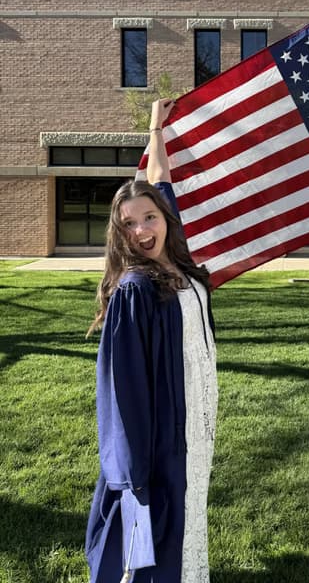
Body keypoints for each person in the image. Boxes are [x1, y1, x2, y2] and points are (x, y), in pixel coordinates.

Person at [85, 99, 218, 583]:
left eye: (149, 217)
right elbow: (122, 387)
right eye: (128, 224)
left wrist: (155, 130)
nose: (141, 230)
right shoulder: (135, 290)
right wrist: (130, 473)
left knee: (190, 518)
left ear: (166, 217)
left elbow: (160, 179)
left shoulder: (178, 266)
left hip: (197, 424)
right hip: (164, 433)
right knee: (156, 537)